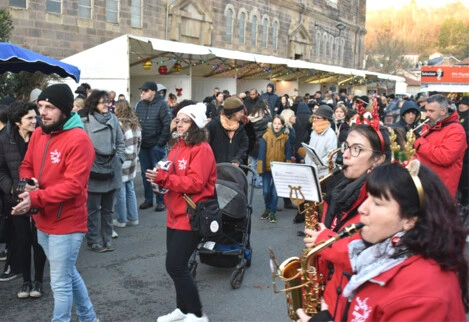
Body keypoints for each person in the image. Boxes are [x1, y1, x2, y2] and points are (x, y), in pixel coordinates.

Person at [298, 162, 468, 321]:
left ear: (410, 220)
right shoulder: (381, 249)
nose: (362, 209)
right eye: (368, 197)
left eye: (377, 203)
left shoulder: (422, 294)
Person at [12, 83, 98, 321]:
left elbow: (74, 186)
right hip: (43, 218)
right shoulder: (40, 132)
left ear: (65, 109)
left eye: (49, 107)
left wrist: (35, 197)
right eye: (41, 106)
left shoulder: (79, 139)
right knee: (68, 274)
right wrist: (27, 181)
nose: (43, 112)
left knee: (60, 284)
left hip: (67, 222)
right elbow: (27, 163)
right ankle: (89, 318)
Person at [303, 120, 392, 309]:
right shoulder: (341, 188)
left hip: (352, 299)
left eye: (357, 149)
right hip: (333, 287)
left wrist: (324, 240)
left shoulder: (382, 198)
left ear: (378, 159)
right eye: (346, 147)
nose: (346, 154)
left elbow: (368, 254)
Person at [146, 103, 215, 322]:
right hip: (174, 213)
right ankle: (182, 309)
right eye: (178, 119)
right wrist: (159, 176)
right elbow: (174, 174)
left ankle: (197, 314)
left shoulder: (201, 148)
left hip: (191, 215)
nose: (179, 124)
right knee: (179, 266)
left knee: (174, 265)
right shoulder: (177, 145)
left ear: (195, 124)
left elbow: (196, 183)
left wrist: (164, 179)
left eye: (185, 120)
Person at [0, 102, 47, 298]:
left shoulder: (43, 135)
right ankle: (26, 282)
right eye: (29, 118)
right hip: (15, 198)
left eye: (35, 117)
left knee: (38, 241)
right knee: (22, 240)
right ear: (17, 121)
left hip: (40, 196)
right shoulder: (4, 139)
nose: (34, 120)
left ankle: (38, 281)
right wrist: (14, 189)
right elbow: (1, 171)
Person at [81, 90, 125, 252]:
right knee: (92, 210)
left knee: (108, 209)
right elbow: (81, 148)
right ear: (94, 104)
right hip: (93, 171)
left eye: (107, 101)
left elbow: (121, 142)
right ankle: (93, 241)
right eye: (103, 102)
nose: (107, 104)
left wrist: (119, 159)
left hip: (111, 169)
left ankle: (107, 239)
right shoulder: (84, 121)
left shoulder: (113, 118)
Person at [413, 94, 467, 198]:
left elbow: (445, 157)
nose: (427, 114)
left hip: (440, 190)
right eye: (427, 110)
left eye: (431, 111)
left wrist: (418, 143)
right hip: (425, 184)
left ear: (443, 111)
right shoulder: (431, 124)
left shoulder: (456, 131)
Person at [135, 81, 171, 212]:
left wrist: (160, 143)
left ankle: (161, 201)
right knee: (145, 174)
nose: (142, 93)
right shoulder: (139, 105)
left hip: (156, 145)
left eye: (146, 90)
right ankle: (148, 199)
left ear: (153, 92)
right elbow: (136, 122)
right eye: (142, 91)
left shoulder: (162, 105)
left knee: (158, 174)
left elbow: (167, 124)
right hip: (143, 145)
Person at [257, 115, 292, 223]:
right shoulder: (266, 136)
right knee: (266, 191)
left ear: (282, 125)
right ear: (272, 123)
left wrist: (287, 167)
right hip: (267, 168)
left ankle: (272, 212)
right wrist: (260, 168)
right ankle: (267, 208)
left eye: (279, 124)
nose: (277, 126)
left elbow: (288, 153)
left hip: (279, 169)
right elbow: (261, 153)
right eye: (275, 123)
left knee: (275, 193)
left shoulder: (285, 137)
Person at [113, 99, 142, 228]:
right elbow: (139, 144)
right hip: (133, 160)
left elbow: (116, 144)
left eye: (115, 108)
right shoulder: (135, 124)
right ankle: (133, 217)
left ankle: (121, 219)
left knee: (120, 192)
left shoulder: (119, 124)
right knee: (130, 189)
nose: (113, 110)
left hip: (123, 160)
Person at [205, 96, 249, 165]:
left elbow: (244, 145)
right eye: (240, 112)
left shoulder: (240, 127)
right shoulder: (213, 125)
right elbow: (204, 146)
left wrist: (237, 159)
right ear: (233, 113)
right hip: (216, 169)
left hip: (233, 170)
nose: (242, 114)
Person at [305, 105, 337, 178]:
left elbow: (331, 157)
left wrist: (318, 164)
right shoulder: (314, 131)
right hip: (310, 171)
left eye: (318, 118)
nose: (314, 119)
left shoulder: (330, 135)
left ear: (326, 119)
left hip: (323, 174)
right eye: (314, 117)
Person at [247, 99, 272, 188]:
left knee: (253, 162)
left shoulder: (251, 116)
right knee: (260, 163)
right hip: (261, 142)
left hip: (252, 142)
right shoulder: (267, 117)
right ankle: (258, 181)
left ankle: (252, 180)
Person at [457, 96, 469, 206]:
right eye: (460, 103)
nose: (461, 105)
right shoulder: (460, 116)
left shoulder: (467, 118)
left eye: (464, 104)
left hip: (466, 155)